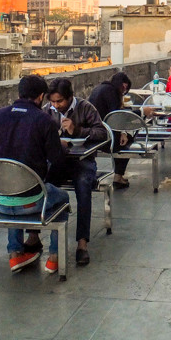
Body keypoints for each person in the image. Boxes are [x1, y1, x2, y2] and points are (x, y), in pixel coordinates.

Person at [0, 75, 70, 273]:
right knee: (63, 199)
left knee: (11, 186)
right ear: (40, 97)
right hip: (32, 201)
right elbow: (56, 159)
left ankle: (15, 254)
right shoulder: (44, 120)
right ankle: (54, 257)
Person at [43, 77, 107, 268]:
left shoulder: (86, 107)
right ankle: (34, 236)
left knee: (83, 186)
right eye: (53, 102)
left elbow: (102, 133)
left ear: (70, 97)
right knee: (43, 184)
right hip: (58, 160)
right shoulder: (47, 111)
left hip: (83, 161)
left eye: (60, 101)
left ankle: (82, 242)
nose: (56, 105)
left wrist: (76, 130)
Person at [88, 71, 132, 189]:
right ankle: (118, 176)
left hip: (92, 133)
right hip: (103, 136)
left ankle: (119, 175)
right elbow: (115, 117)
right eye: (124, 88)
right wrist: (123, 133)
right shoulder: (112, 92)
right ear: (122, 85)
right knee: (127, 141)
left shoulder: (101, 88)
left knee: (123, 137)